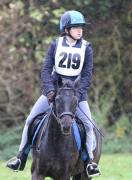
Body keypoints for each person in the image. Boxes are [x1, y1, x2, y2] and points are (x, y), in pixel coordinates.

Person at [6, 10, 100, 177]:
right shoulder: (55, 44)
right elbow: (46, 70)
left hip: (76, 92)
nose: (80, 30)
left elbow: (87, 75)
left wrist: (78, 94)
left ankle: (89, 162)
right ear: (66, 29)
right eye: (76, 27)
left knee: (88, 125)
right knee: (30, 120)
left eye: (81, 28)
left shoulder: (87, 47)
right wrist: (49, 90)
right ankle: (21, 156)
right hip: (55, 89)